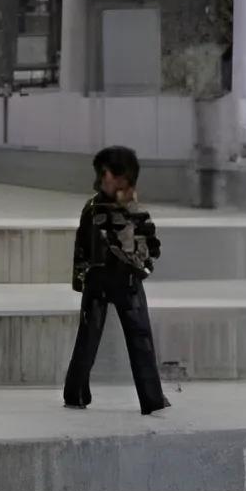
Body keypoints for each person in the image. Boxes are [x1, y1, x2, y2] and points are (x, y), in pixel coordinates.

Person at [63, 144, 169, 415]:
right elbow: (84, 245)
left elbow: (150, 244)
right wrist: (81, 277)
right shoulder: (95, 208)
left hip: (126, 281)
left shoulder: (132, 209)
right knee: (88, 342)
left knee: (141, 341)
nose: (107, 178)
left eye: (112, 174)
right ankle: (76, 393)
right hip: (100, 281)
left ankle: (152, 398)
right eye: (105, 173)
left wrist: (143, 266)